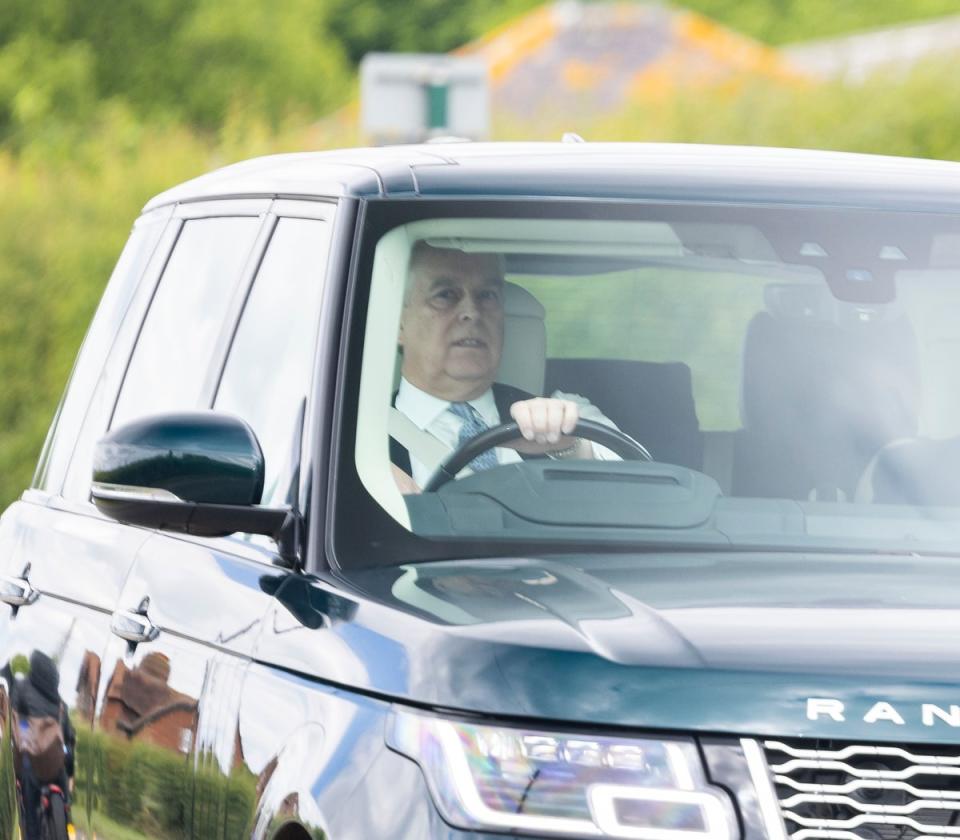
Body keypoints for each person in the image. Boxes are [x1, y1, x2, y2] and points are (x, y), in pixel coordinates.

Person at [391, 242, 617, 493]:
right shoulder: (352, 439)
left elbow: (645, 492)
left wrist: (570, 446)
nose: (471, 312)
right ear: (399, 324)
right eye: (445, 295)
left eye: (487, 295)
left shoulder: (569, 415)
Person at [12, 651, 75, 839]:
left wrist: (24, 737)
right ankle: (68, 819)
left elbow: (14, 718)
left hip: (29, 761)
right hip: (55, 762)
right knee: (62, 781)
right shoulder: (60, 702)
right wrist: (70, 772)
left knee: (28, 798)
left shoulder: (22, 688)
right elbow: (69, 738)